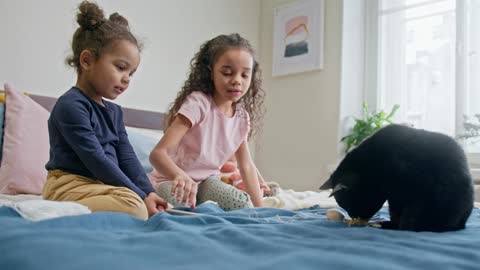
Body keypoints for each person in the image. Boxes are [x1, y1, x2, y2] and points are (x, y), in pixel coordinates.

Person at [43, 1, 167, 220]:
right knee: (134, 206)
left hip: (102, 186)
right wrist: (139, 197)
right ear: (87, 60)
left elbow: (127, 158)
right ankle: (55, 209)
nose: (127, 78)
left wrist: (149, 192)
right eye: (120, 68)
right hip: (69, 185)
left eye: (132, 73)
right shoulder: (70, 106)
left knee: (138, 203)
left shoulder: (115, 112)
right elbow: (96, 159)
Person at [149, 33, 266, 210]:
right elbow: (158, 154)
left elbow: (246, 165)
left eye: (244, 75)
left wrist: (261, 210)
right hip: (171, 179)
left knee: (241, 203)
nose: (236, 81)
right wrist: (179, 176)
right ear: (210, 72)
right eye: (227, 73)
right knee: (183, 207)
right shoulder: (198, 104)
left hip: (207, 182)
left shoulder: (242, 117)